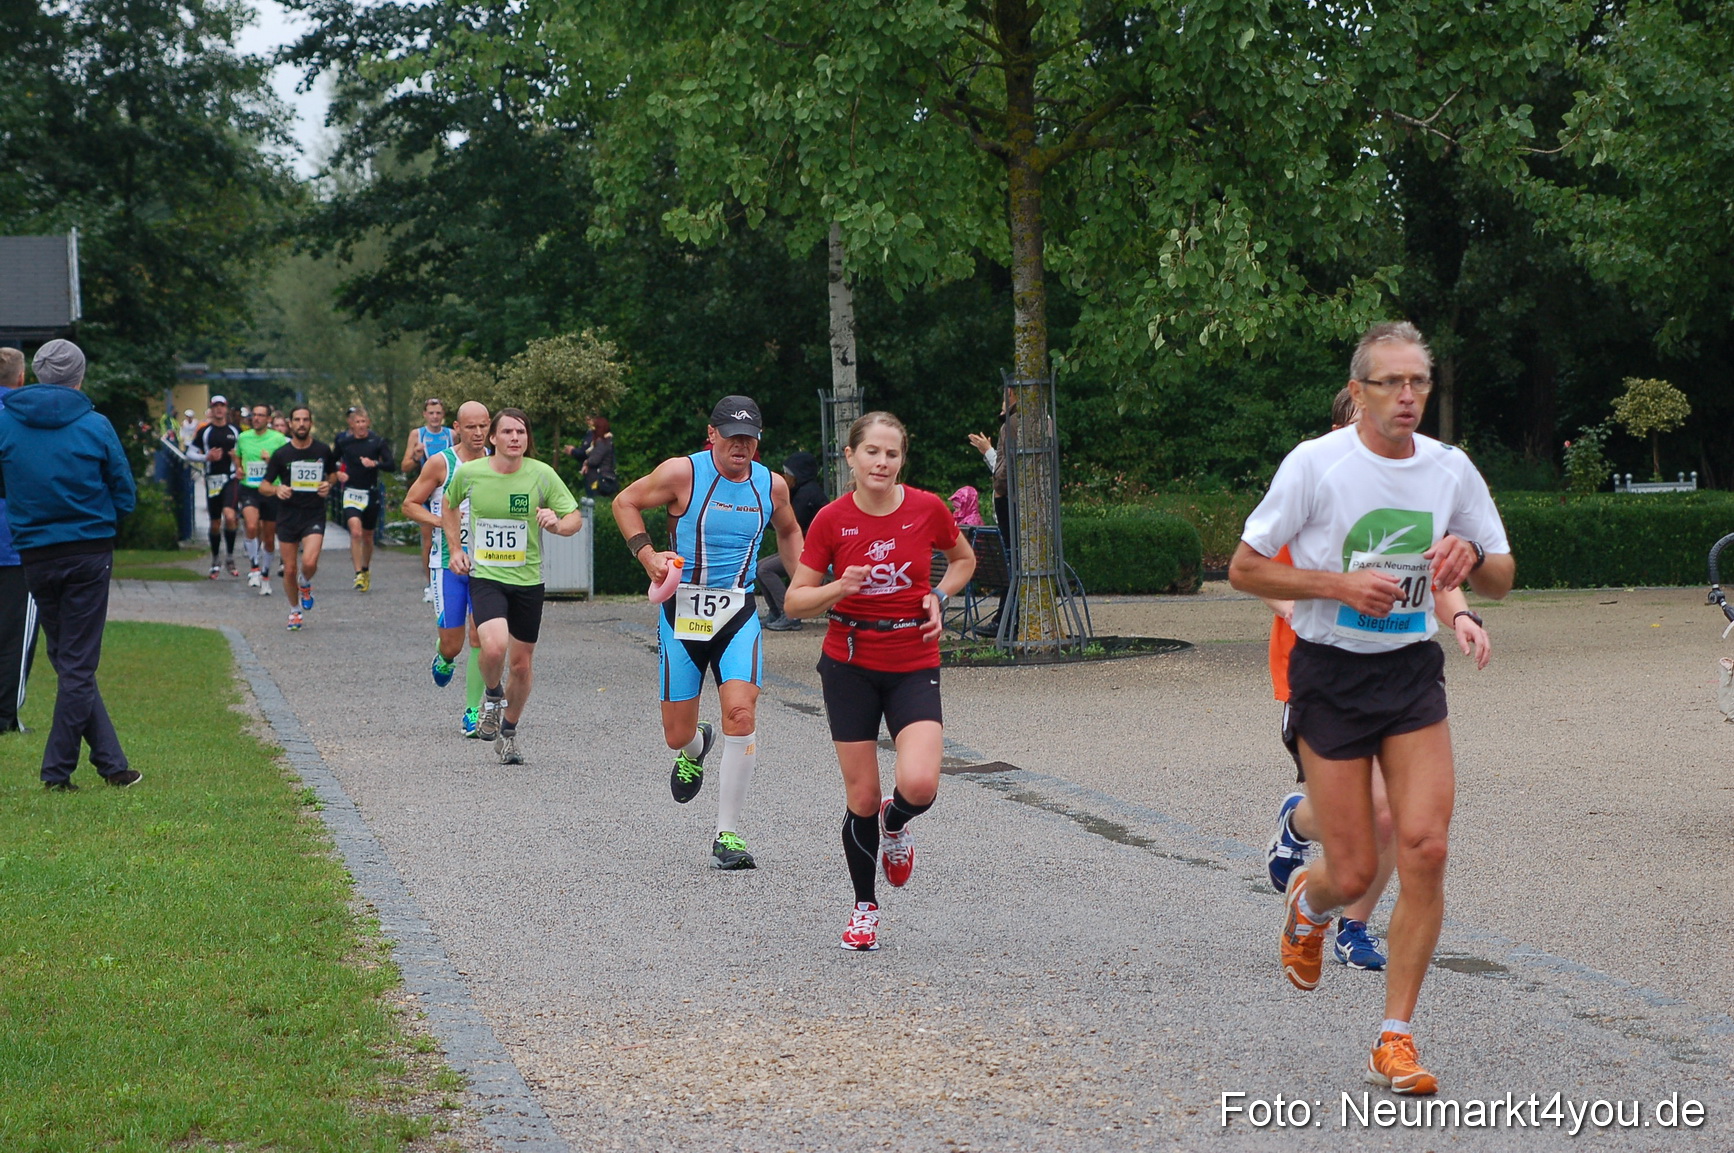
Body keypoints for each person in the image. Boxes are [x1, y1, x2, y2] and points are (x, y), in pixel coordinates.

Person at [1228, 321, 1514, 1096]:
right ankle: (1309, 899)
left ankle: (1395, 1035)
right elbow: (1244, 568)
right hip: (1329, 674)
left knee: (1425, 845)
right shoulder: (1315, 464)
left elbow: (1501, 575)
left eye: (1418, 381)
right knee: (1353, 866)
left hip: (1410, 673)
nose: (1407, 395)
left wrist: (1471, 560)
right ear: (1359, 392)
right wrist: (1338, 585)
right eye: (1391, 382)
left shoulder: (1450, 468)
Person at [1260, 388, 1492, 973]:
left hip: (1396, 677)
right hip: (1319, 674)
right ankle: (1298, 821)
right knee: (1360, 818)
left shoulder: (1413, 489)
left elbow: (1431, 577)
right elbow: (1262, 572)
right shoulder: (1312, 479)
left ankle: (1353, 927)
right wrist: (1316, 603)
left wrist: (1463, 615)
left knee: (1388, 816)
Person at [783, 412, 976, 951]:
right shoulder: (830, 519)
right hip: (848, 663)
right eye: (872, 451)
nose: (882, 462)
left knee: (919, 784)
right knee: (863, 795)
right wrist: (838, 588)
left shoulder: (927, 508)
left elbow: (962, 560)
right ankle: (864, 907)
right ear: (851, 456)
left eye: (892, 454)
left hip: (912, 657)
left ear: (901, 460)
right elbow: (795, 602)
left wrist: (938, 595)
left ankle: (898, 821)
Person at [612, 395, 804, 870]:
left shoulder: (772, 485)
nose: (741, 445)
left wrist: (802, 585)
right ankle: (695, 746)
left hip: (737, 613)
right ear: (712, 434)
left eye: (749, 437)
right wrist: (648, 556)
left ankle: (728, 835)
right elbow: (625, 501)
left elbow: (788, 530)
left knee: (740, 712)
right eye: (732, 436)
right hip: (681, 612)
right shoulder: (683, 473)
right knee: (676, 735)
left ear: (758, 441)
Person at [0, 340, 139, 789]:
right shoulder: (95, 424)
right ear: (79, 376)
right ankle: (56, 772)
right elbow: (124, 492)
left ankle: (113, 765)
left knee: (68, 659)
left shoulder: (6, 421)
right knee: (77, 663)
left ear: (37, 373)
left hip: (35, 552)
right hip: (88, 551)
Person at [443, 408, 583, 764]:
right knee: (493, 648)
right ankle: (492, 696)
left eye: (521, 432)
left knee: (521, 665)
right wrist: (456, 549)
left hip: (528, 581)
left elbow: (574, 518)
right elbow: (449, 504)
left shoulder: (541, 474)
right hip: (487, 577)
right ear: (493, 438)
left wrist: (556, 523)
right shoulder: (471, 473)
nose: (515, 438)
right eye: (507, 432)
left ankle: (508, 733)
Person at [403, 400, 491, 736]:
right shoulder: (442, 463)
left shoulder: (499, 463)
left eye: (484, 426)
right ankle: (444, 657)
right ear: (457, 428)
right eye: (471, 427)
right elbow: (410, 504)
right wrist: (443, 520)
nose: (478, 433)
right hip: (447, 565)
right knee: (453, 643)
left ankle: (473, 711)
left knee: (480, 636)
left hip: (489, 565)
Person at [263, 407, 339, 631]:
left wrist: (328, 484)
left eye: (305, 420)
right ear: (290, 423)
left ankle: (305, 583)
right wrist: (277, 490)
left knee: (309, 562)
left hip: (313, 513)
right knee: (289, 569)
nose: (301, 424)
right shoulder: (281, 454)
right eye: (297, 420)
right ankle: (294, 610)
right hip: (287, 515)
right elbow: (264, 485)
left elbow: (333, 474)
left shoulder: (322, 450)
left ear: (311, 423)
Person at [0, 348, 42, 733]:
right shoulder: (26, 417)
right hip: (15, 538)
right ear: (21, 378)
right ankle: (6, 715)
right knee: (16, 633)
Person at [758, 450, 825, 631]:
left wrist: (763, 517)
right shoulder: (801, 491)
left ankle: (790, 613)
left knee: (765, 569)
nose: (785, 477)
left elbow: (790, 525)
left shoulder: (807, 494)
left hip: (812, 552)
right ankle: (776, 612)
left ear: (798, 475)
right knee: (760, 567)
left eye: (788, 473)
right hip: (804, 548)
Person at [333, 406, 396, 591]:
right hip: (351, 492)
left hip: (371, 493)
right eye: (357, 422)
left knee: (368, 537)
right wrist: (337, 473)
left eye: (363, 421)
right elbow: (330, 461)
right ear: (351, 424)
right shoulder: (344, 443)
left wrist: (375, 463)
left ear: (368, 423)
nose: (360, 425)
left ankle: (366, 568)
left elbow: (391, 464)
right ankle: (358, 573)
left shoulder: (377, 442)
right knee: (356, 532)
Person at [235, 404, 289, 595]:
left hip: (270, 490)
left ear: (268, 419)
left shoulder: (278, 439)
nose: (256, 418)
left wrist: (270, 461)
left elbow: (285, 465)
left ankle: (265, 575)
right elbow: (237, 455)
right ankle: (254, 568)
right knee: (251, 526)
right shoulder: (243, 437)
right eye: (254, 415)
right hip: (249, 488)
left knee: (268, 537)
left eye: (260, 415)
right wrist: (239, 468)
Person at [185, 395, 241, 579]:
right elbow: (190, 453)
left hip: (231, 478)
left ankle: (230, 557)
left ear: (226, 409)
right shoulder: (205, 431)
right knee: (215, 523)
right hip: (212, 479)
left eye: (222, 406)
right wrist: (206, 457)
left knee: (230, 516)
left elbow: (245, 451)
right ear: (211, 409)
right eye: (215, 406)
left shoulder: (235, 430)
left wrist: (238, 462)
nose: (219, 409)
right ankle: (216, 559)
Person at [404, 398, 453, 600]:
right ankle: (430, 585)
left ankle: (452, 578)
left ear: (443, 415)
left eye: (438, 413)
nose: (435, 417)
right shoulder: (417, 434)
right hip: (426, 493)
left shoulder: (452, 435)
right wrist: (416, 456)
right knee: (428, 542)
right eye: (431, 413)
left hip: (447, 492)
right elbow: (405, 466)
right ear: (424, 415)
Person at [562, 415, 618, 497]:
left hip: (599, 477)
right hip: (602, 476)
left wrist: (586, 462)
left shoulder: (602, 442)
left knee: (594, 500)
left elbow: (594, 460)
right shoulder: (606, 442)